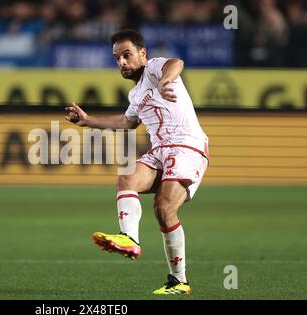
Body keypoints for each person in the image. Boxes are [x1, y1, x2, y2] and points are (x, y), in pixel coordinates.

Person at [65, 29, 209, 295]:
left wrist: (166, 80)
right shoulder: (135, 95)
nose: (121, 62)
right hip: (160, 149)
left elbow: (177, 62)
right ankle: (130, 239)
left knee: (164, 208)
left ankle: (179, 280)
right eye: (117, 58)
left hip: (187, 145)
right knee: (127, 177)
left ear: (142, 54)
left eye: (127, 55)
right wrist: (87, 121)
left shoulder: (154, 69)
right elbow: (126, 122)